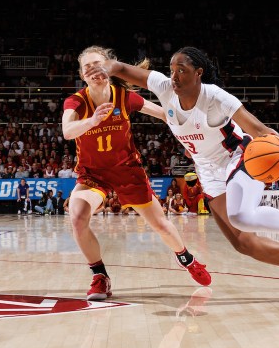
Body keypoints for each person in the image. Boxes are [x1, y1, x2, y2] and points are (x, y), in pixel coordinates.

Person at [87, 46, 279, 302]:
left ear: (198, 72)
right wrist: (104, 68)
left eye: (182, 70)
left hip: (239, 154)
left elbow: (257, 128)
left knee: (242, 215)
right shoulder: (164, 87)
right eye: (172, 70)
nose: (174, 76)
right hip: (208, 170)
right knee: (243, 243)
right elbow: (121, 68)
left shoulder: (215, 97)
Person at [62, 45, 210, 301]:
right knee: (77, 217)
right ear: (82, 75)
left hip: (128, 171)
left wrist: (192, 137)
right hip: (93, 174)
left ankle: (187, 259)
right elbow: (68, 131)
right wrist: (92, 121)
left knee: (161, 225)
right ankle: (100, 277)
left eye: (97, 64)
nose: (93, 70)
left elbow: (165, 114)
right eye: (87, 67)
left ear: (108, 67)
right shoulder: (76, 101)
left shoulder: (123, 97)